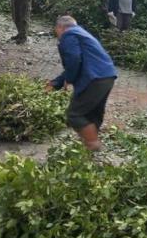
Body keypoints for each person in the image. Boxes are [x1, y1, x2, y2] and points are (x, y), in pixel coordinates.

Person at [46, 16, 118, 152]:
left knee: (74, 114)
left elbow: (74, 59)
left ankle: (93, 144)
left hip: (94, 78)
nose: (57, 33)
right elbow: (77, 61)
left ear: (60, 27)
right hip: (107, 76)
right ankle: (90, 148)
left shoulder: (68, 35)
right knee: (93, 113)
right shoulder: (81, 33)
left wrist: (70, 78)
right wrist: (57, 82)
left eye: (56, 30)